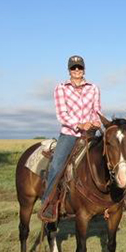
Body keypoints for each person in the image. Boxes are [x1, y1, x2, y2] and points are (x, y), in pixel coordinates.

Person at [39, 55, 102, 221]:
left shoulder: (93, 88)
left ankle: (116, 199)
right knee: (56, 165)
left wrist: (96, 121)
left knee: (107, 158)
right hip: (69, 133)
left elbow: (97, 110)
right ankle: (48, 203)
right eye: (73, 68)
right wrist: (80, 124)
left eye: (79, 67)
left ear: (83, 69)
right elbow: (62, 114)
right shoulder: (61, 88)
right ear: (69, 70)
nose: (77, 71)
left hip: (90, 133)